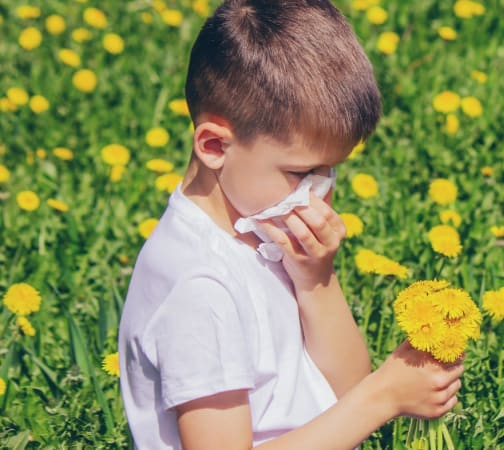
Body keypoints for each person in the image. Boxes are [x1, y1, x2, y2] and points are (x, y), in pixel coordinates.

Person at [117, 1, 464, 449]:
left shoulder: (259, 230)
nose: (317, 194)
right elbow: (361, 399)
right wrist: (383, 397)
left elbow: (345, 388)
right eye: (301, 174)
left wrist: (316, 278)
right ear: (214, 146)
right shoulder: (199, 287)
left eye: (330, 172)